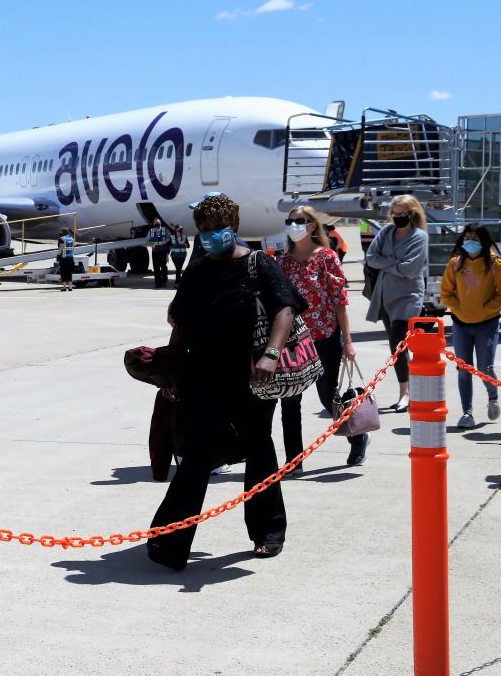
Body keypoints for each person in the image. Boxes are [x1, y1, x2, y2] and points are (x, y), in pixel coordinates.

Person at [147, 193, 306, 570]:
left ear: (232, 228)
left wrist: (271, 353)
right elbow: (181, 326)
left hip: (252, 376)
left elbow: (285, 307)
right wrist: (171, 373)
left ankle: (268, 531)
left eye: (217, 228)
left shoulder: (258, 264)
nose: (210, 235)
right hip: (203, 377)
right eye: (204, 229)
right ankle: (170, 541)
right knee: (196, 455)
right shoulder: (197, 272)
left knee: (258, 448)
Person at [278, 206, 367, 467]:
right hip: (292, 341)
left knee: (328, 395)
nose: (293, 225)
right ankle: (294, 460)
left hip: (324, 337)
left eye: (299, 221)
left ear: (312, 225)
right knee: (289, 400)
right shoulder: (283, 261)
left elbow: (340, 301)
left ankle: (357, 437)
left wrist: (348, 341)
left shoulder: (327, 257)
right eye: (290, 221)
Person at [440, 223, 501, 428]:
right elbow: (446, 293)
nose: (471, 242)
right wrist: (458, 310)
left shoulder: (495, 264)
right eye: (467, 238)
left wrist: (486, 310)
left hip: (486, 325)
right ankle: (467, 412)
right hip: (461, 324)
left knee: (484, 368)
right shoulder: (455, 263)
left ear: (484, 241)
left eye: (476, 239)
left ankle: (493, 396)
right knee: (463, 369)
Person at [365, 195, 429, 413]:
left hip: (408, 297)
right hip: (384, 295)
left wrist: (386, 264)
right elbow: (371, 257)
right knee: (396, 348)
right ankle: (408, 388)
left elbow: (410, 270)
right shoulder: (385, 232)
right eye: (396, 214)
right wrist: (395, 263)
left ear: (413, 214)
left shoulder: (420, 237)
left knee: (398, 342)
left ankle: (406, 394)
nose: (399, 218)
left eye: (403, 214)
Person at [148, 218, 171, 288]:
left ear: (160, 223)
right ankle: (157, 283)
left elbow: (171, 237)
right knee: (156, 268)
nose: (157, 224)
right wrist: (151, 243)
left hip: (163, 251)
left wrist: (167, 243)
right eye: (155, 223)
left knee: (163, 267)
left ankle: (164, 281)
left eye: (158, 222)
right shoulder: (151, 231)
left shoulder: (165, 230)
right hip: (155, 252)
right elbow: (147, 239)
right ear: (153, 224)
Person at [57, 227, 75, 292]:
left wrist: (58, 255)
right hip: (70, 258)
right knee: (69, 272)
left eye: (60, 232)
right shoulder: (72, 239)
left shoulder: (62, 239)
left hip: (63, 258)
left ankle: (64, 287)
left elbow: (61, 248)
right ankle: (70, 287)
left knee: (63, 272)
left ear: (62, 233)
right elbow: (73, 248)